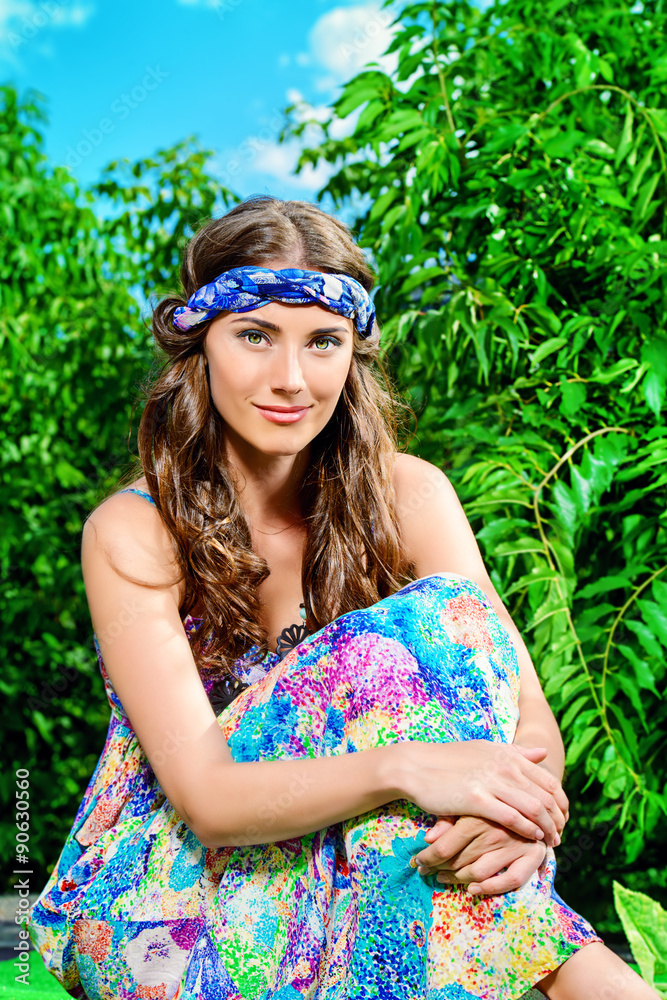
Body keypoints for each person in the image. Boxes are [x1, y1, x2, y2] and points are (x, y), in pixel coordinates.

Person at [24, 196, 656, 1000]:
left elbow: (528, 719)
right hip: (164, 913)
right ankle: (585, 979)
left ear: (352, 354)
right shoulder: (134, 530)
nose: (290, 379)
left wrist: (514, 822)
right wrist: (410, 767)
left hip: (347, 870)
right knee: (373, 666)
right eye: (255, 336)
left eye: (322, 341)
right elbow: (208, 801)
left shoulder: (409, 496)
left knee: (441, 619)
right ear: (199, 343)